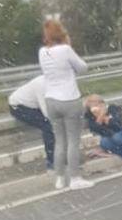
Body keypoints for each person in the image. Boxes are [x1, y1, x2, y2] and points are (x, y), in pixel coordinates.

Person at [38, 19, 93, 190]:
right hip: (69, 98)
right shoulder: (66, 50)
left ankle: (59, 178)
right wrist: (69, 45)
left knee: (59, 141)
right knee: (73, 141)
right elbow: (83, 67)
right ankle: (75, 177)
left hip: (51, 100)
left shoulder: (42, 52)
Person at [7, 74, 54, 170]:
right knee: (48, 125)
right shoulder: (41, 84)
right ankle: (52, 160)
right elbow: (46, 110)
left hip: (34, 105)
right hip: (19, 106)